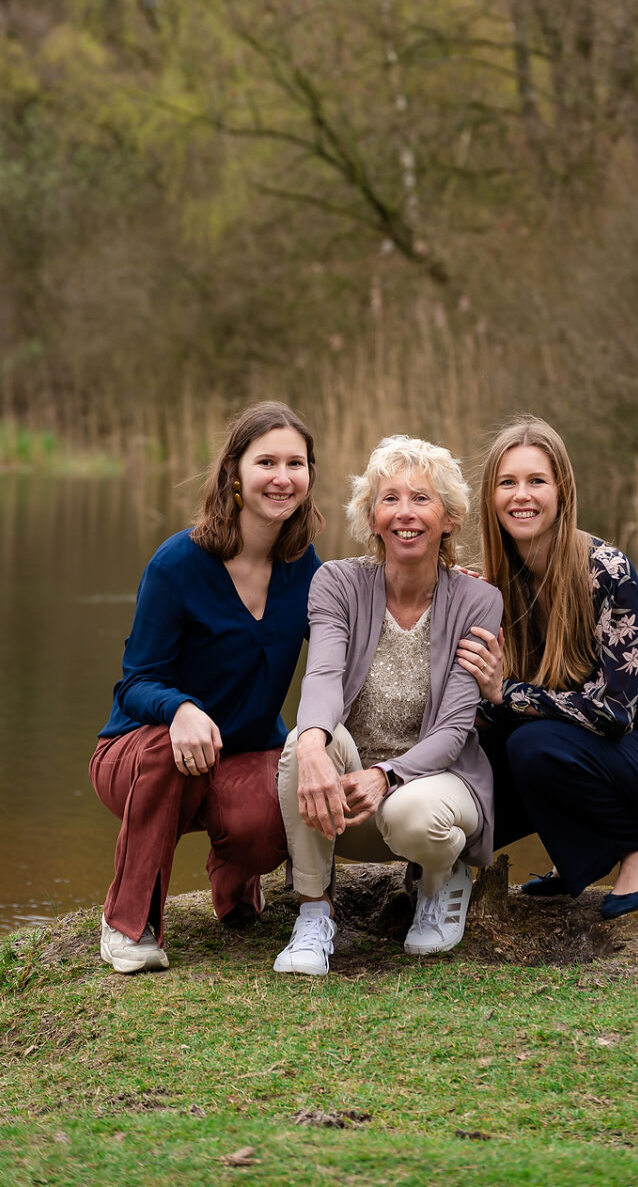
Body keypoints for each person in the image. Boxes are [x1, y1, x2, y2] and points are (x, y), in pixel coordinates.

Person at [90, 401, 324, 972]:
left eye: (296, 463)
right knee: (170, 754)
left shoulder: (305, 567)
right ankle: (128, 924)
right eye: (265, 461)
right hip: (140, 754)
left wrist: (440, 579)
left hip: (242, 750)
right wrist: (180, 709)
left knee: (269, 818)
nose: (281, 477)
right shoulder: (178, 563)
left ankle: (236, 883)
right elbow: (136, 682)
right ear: (234, 475)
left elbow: (356, 637)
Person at [457, 417, 638, 919]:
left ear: (562, 490)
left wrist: (505, 692)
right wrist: (452, 601)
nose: (522, 496)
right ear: (491, 496)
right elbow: (491, 713)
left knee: (533, 745)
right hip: (580, 743)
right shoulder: (497, 585)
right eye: (507, 483)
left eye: (537, 481)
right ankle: (583, 851)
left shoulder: (606, 571)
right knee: (475, 780)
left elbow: (614, 714)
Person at [273, 436, 503, 976]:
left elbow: (452, 729)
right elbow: (324, 676)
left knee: (410, 811)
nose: (405, 513)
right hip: (351, 793)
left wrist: (387, 775)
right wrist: (312, 746)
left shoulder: (478, 601)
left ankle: (439, 881)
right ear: (371, 516)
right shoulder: (337, 583)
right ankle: (313, 914)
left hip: (439, 785)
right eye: (389, 499)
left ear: (449, 519)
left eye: (422, 499)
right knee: (302, 744)